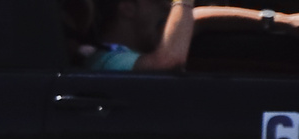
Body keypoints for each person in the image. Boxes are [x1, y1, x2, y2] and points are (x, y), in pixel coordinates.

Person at [85, 0, 298, 71]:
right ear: (128, 8)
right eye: (157, 2)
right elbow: (168, 61)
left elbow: (195, 18)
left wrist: (284, 21)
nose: (165, 10)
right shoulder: (103, 61)